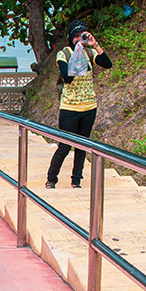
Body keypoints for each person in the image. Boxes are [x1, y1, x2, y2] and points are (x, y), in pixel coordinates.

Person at [46, 20, 112, 189]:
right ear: (70, 37)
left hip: (89, 107)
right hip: (69, 108)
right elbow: (67, 78)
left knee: (82, 146)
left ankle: (76, 181)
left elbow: (107, 64)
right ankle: (51, 178)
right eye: (76, 36)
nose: (79, 39)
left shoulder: (90, 53)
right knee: (65, 146)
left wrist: (94, 44)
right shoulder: (64, 54)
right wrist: (77, 52)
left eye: (81, 35)